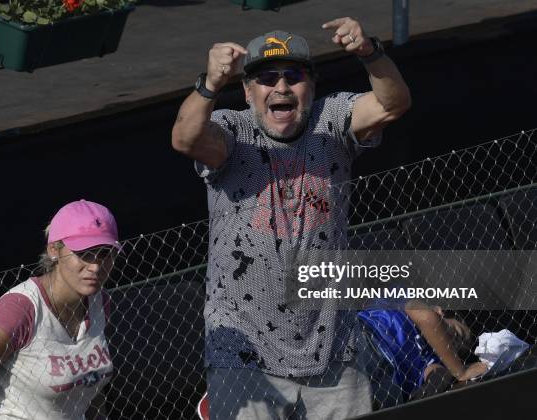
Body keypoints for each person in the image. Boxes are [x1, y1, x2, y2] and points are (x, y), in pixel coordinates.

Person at [172, 17, 411, 420]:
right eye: (266, 78)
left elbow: (393, 103)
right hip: (244, 353)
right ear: (248, 92)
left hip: (335, 345)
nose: (281, 87)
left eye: (293, 76)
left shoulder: (330, 122)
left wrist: (370, 53)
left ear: (311, 87)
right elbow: (185, 138)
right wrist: (209, 84)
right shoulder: (234, 131)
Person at [0, 199, 121, 419]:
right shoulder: (18, 309)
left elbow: (89, 384)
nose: (95, 266)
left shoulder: (99, 301)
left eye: (105, 253)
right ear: (54, 249)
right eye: (83, 253)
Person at [358, 304, 488, 405]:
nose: (454, 344)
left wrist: (448, 375)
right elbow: (426, 317)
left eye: (457, 350)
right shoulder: (406, 308)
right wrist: (461, 371)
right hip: (370, 342)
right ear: (439, 311)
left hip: (387, 385)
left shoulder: (435, 358)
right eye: (458, 334)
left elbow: (435, 374)